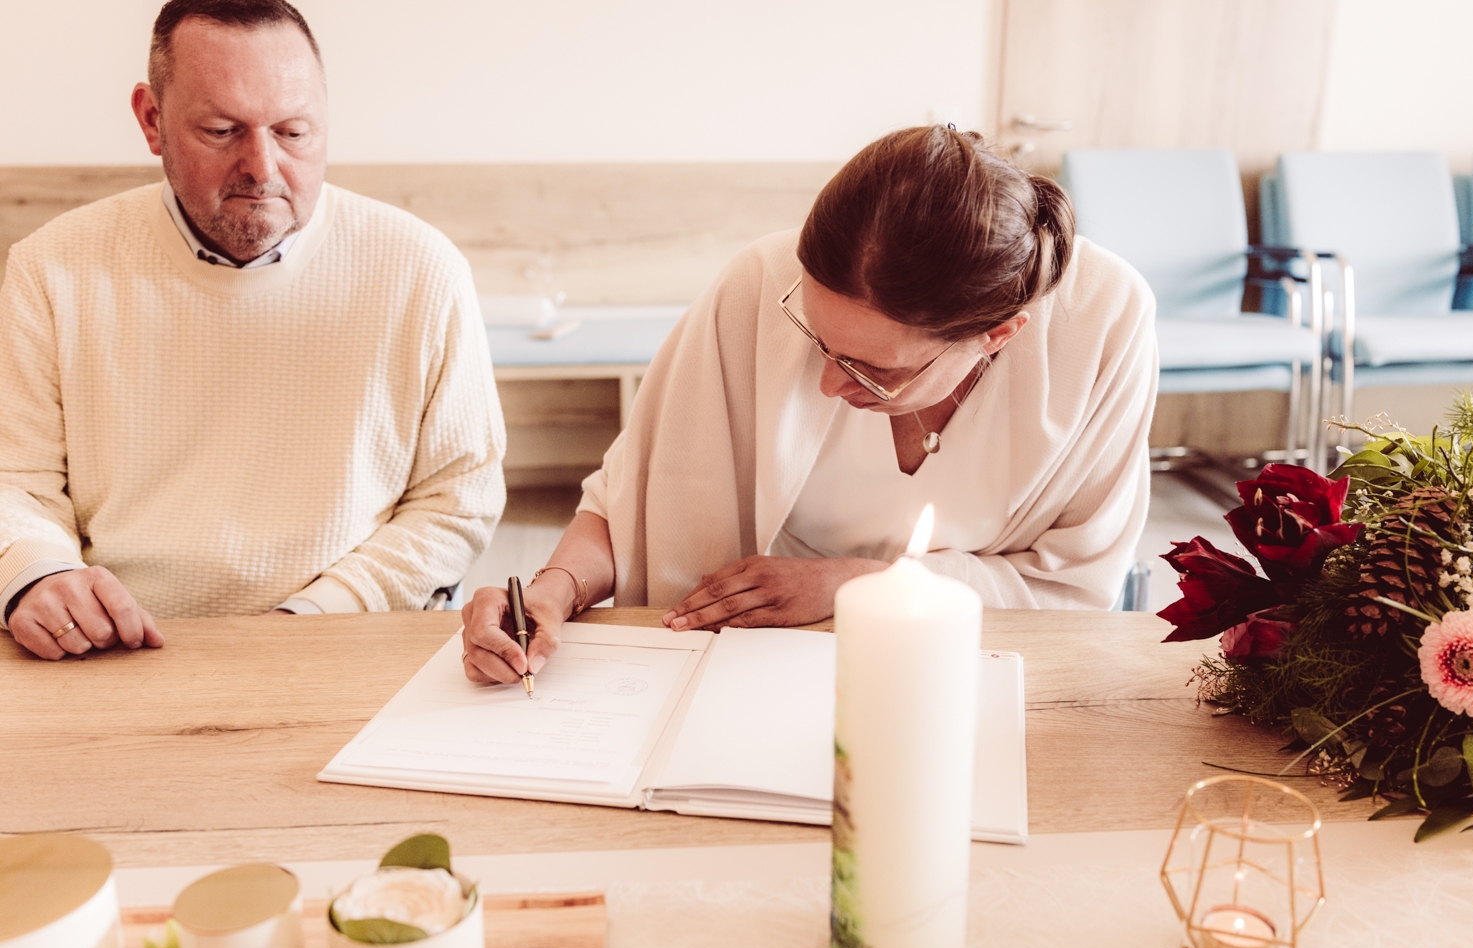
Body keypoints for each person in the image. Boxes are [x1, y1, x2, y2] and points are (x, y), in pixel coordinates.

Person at [461, 125, 1155, 686]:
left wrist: (854, 584)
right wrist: (553, 592)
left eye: (872, 371)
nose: (827, 385)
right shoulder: (760, 286)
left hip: (971, 669)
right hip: (754, 661)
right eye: (816, 342)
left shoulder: (1104, 324)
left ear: (998, 335)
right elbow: (637, 501)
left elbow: (1073, 579)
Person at [0, 0, 506, 661]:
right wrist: (40, 573)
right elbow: (17, 477)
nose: (262, 169)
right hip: (111, 649)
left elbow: (457, 498)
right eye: (220, 130)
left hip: (340, 636)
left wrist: (316, 615)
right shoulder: (52, 265)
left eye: (294, 133)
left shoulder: (421, 268)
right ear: (151, 120)